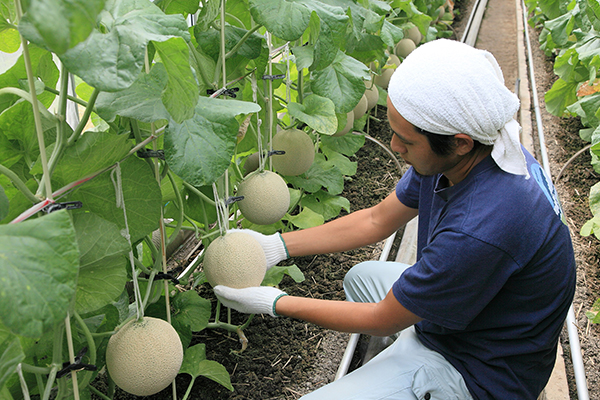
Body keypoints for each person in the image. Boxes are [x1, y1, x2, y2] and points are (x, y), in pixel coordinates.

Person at [214, 39, 577, 400]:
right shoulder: (470, 150)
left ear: (460, 142)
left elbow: (383, 319)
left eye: (406, 140)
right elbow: (375, 221)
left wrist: (275, 302)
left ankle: (426, 382)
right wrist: (276, 247)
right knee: (361, 278)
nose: (395, 145)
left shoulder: (481, 226)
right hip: (474, 317)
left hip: (480, 369)